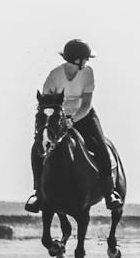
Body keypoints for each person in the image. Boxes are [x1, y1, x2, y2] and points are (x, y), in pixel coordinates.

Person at [27, 38, 118, 211]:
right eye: (85, 58)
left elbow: (86, 104)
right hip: (57, 118)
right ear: (78, 60)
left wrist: (72, 120)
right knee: (37, 148)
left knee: (101, 147)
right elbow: (46, 105)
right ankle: (38, 193)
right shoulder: (54, 76)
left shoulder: (88, 73)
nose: (87, 61)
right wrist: (56, 122)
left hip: (83, 115)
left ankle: (110, 192)